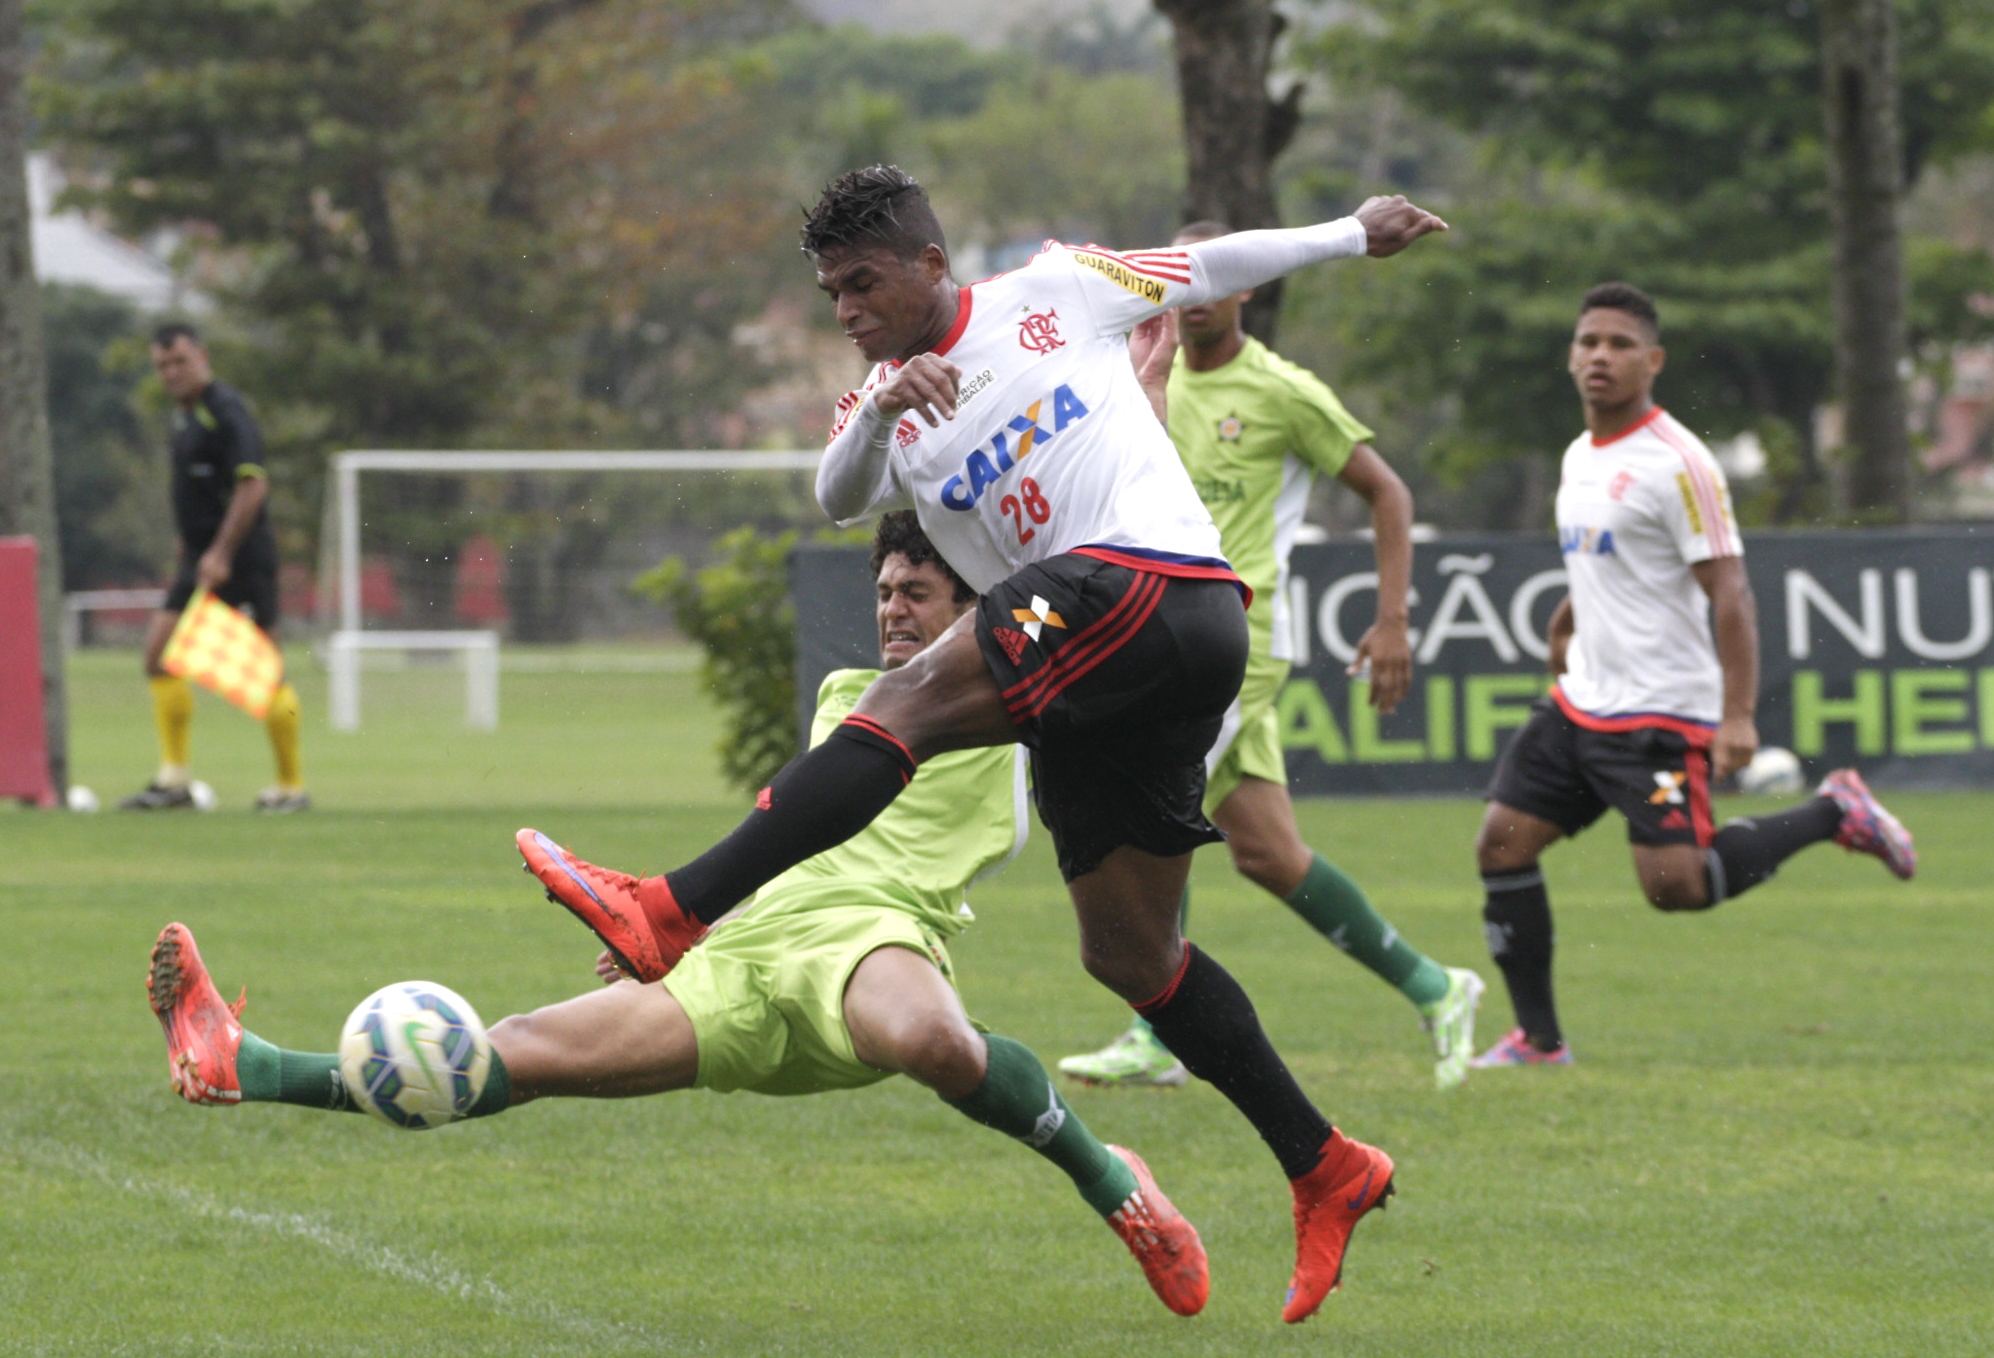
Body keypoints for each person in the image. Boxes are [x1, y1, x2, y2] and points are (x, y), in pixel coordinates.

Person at [517, 166, 1445, 1323]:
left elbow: (1201, 264)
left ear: (927, 263)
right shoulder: (878, 397)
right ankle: (1324, 1164)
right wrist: (888, 401)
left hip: (1156, 587)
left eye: (862, 284)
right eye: (829, 294)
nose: (847, 310)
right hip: (1106, 671)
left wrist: (1351, 235)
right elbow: (834, 494)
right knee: (1130, 954)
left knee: (897, 701)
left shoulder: (1051, 290)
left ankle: (669, 908)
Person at [147, 511, 1209, 1317]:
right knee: (491, 1057)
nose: (891, 605)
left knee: (932, 1036)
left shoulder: (1024, 701)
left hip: (871, 946)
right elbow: (788, 830)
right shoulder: (854, 696)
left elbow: (1101, 552)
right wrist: (676, 928)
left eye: (917, 590)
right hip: (741, 962)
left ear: (978, 603)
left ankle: (1114, 1181)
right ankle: (245, 1061)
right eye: (883, 587)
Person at [1059, 221, 1484, 1093]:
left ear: (1247, 287)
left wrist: (1393, 619)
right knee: (1268, 854)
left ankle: (1156, 1029)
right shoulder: (1132, 380)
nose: (1200, 292)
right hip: (1156, 626)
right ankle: (1439, 988)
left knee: (1150, 808)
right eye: (1183, 277)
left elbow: (1386, 490)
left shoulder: (1282, 390)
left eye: (1216, 276)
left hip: (1234, 640)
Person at [1470, 282, 1916, 1069]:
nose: (1599, 356)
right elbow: (1614, 560)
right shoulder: (1579, 454)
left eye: (1618, 344)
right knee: (1501, 847)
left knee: (1676, 886)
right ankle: (1540, 1042)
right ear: (1571, 356)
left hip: (1659, 712)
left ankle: (1832, 810)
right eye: (1588, 342)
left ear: (1653, 360)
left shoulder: (1680, 464)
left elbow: (1731, 591)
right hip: (1580, 703)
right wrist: (1570, 619)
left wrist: (1737, 714)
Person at [119, 323, 307, 814]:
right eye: (162, 365)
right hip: (199, 561)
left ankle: (291, 787)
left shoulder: (226, 411)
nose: (171, 373)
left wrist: (222, 551)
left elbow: (252, 486)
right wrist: (195, 548)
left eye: (179, 361)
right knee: (158, 657)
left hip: (240, 559)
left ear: (202, 357)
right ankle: (174, 781)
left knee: (267, 670)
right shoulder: (183, 419)